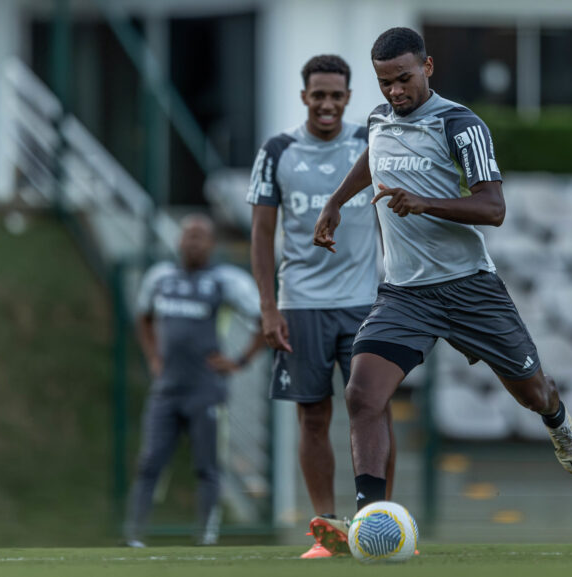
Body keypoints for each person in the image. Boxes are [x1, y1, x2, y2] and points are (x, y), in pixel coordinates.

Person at [312, 26, 572, 555]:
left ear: (428, 67)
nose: (395, 92)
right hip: (405, 295)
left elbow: (494, 208)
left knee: (533, 392)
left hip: (469, 290)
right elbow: (373, 157)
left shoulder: (461, 124)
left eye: (404, 79)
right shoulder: (376, 120)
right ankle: (371, 520)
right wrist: (335, 201)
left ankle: (557, 418)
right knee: (361, 394)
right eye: (385, 82)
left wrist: (424, 202)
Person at [247, 54, 395, 559]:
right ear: (304, 96)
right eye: (318, 95)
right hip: (302, 305)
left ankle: (382, 525)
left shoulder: (370, 144)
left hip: (365, 304)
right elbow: (262, 235)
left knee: (374, 410)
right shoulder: (278, 150)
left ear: (349, 97)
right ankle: (329, 530)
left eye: (336, 95)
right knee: (313, 416)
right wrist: (269, 308)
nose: (327, 104)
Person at [124, 215, 264, 548]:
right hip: (167, 390)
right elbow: (143, 317)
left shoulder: (226, 282)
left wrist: (240, 361)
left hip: (206, 389)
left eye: (200, 236)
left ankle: (206, 535)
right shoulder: (160, 277)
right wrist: (153, 357)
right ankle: (133, 535)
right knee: (149, 462)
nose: (192, 242)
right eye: (187, 235)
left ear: (212, 244)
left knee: (207, 466)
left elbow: (265, 321)